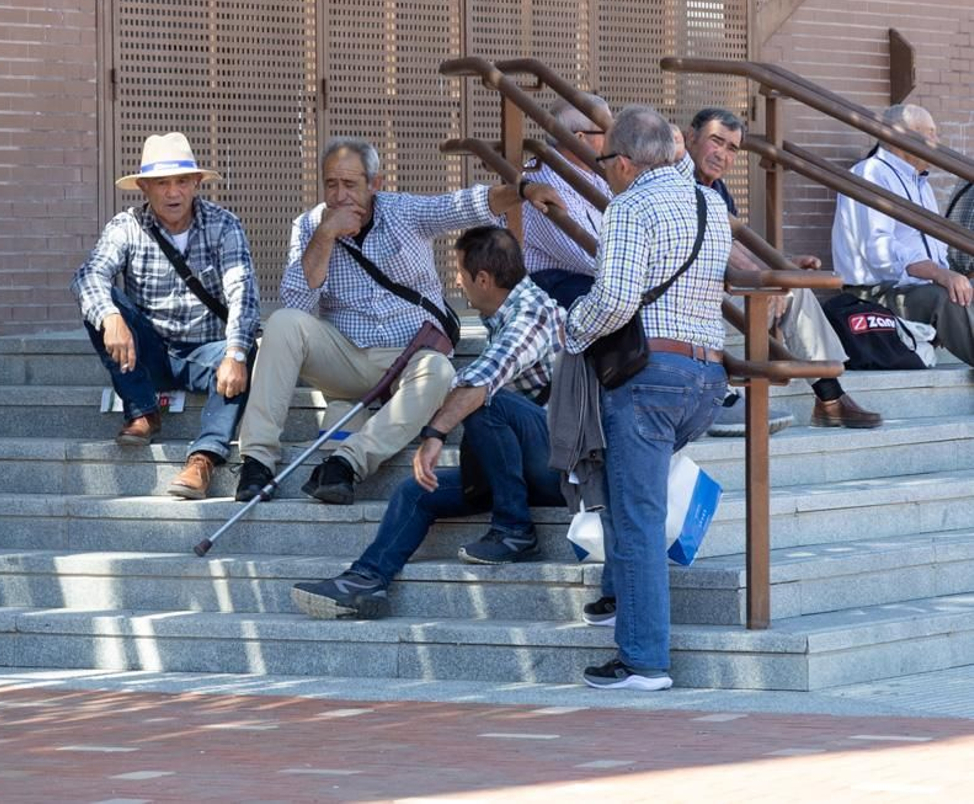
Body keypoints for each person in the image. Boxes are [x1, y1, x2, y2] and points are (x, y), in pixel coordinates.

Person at [235, 138, 564, 505]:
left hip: (409, 357)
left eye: (350, 184)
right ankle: (256, 461)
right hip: (344, 356)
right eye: (331, 184)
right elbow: (299, 301)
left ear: (374, 184)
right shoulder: (309, 225)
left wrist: (524, 189)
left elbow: (466, 205)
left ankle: (347, 464)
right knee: (282, 323)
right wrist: (325, 235)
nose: (340, 195)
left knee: (439, 371)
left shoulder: (402, 211)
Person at [291, 228, 566, 619]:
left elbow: (480, 381)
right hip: (520, 467)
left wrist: (435, 433)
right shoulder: (504, 314)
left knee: (489, 402)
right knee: (415, 491)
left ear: (483, 279)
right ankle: (364, 581)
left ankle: (514, 530)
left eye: (460, 272)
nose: (457, 281)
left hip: (563, 470)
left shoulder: (532, 313)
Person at [566, 106, 731, 691]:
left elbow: (613, 298)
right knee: (628, 495)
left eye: (605, 159)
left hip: (649, 378)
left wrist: (572, 329)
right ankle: (619, 596)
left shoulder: (631, 205)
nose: (603, 169)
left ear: (627, 162)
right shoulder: (713, 204)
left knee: (636, 516)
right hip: (707, 378)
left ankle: (642, 661)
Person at [72, 132, 260, 500]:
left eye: (182, 182)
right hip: (149, 352)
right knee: (101, 302)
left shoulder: (224, 224)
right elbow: (88, 275)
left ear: (196, 184)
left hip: (207, 353)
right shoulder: (126, 225)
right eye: (162, 183)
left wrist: (235, 353)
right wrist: (111, 317)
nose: (173, 193)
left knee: (247, 350)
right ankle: (141, 411)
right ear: (144, 187)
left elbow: (244, 294)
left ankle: (204, 458)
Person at [684, 108, 880, 431]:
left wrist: (782, 266)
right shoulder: (676, 184)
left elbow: (739, 248)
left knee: (796, 288)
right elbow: (721, 247)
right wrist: (766, 280)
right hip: (689, 306)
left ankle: (830, 399)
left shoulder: (718, 190)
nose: (723, 154)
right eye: (715, 141)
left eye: (732, 148)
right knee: (784, 289)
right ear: (691, 137)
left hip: (719, 297)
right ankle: (825, 400)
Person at [834, 104, 974, 365]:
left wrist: (949, 276)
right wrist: (940, 275)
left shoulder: (922, 184)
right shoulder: (870, 174)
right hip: (873, 293)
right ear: (902, 136)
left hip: (916, 289)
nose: (937, 142)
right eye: (930, 134)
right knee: (945, 299)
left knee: (958, 291)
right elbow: (880, 252)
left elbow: (937, 249)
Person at [522, 98, 612, 309]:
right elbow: (590, 259)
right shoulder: (546, 179)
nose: (614, 138)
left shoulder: (595, 171)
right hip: (550, 287)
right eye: (606, 130)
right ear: (580, 139)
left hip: (582, 281)